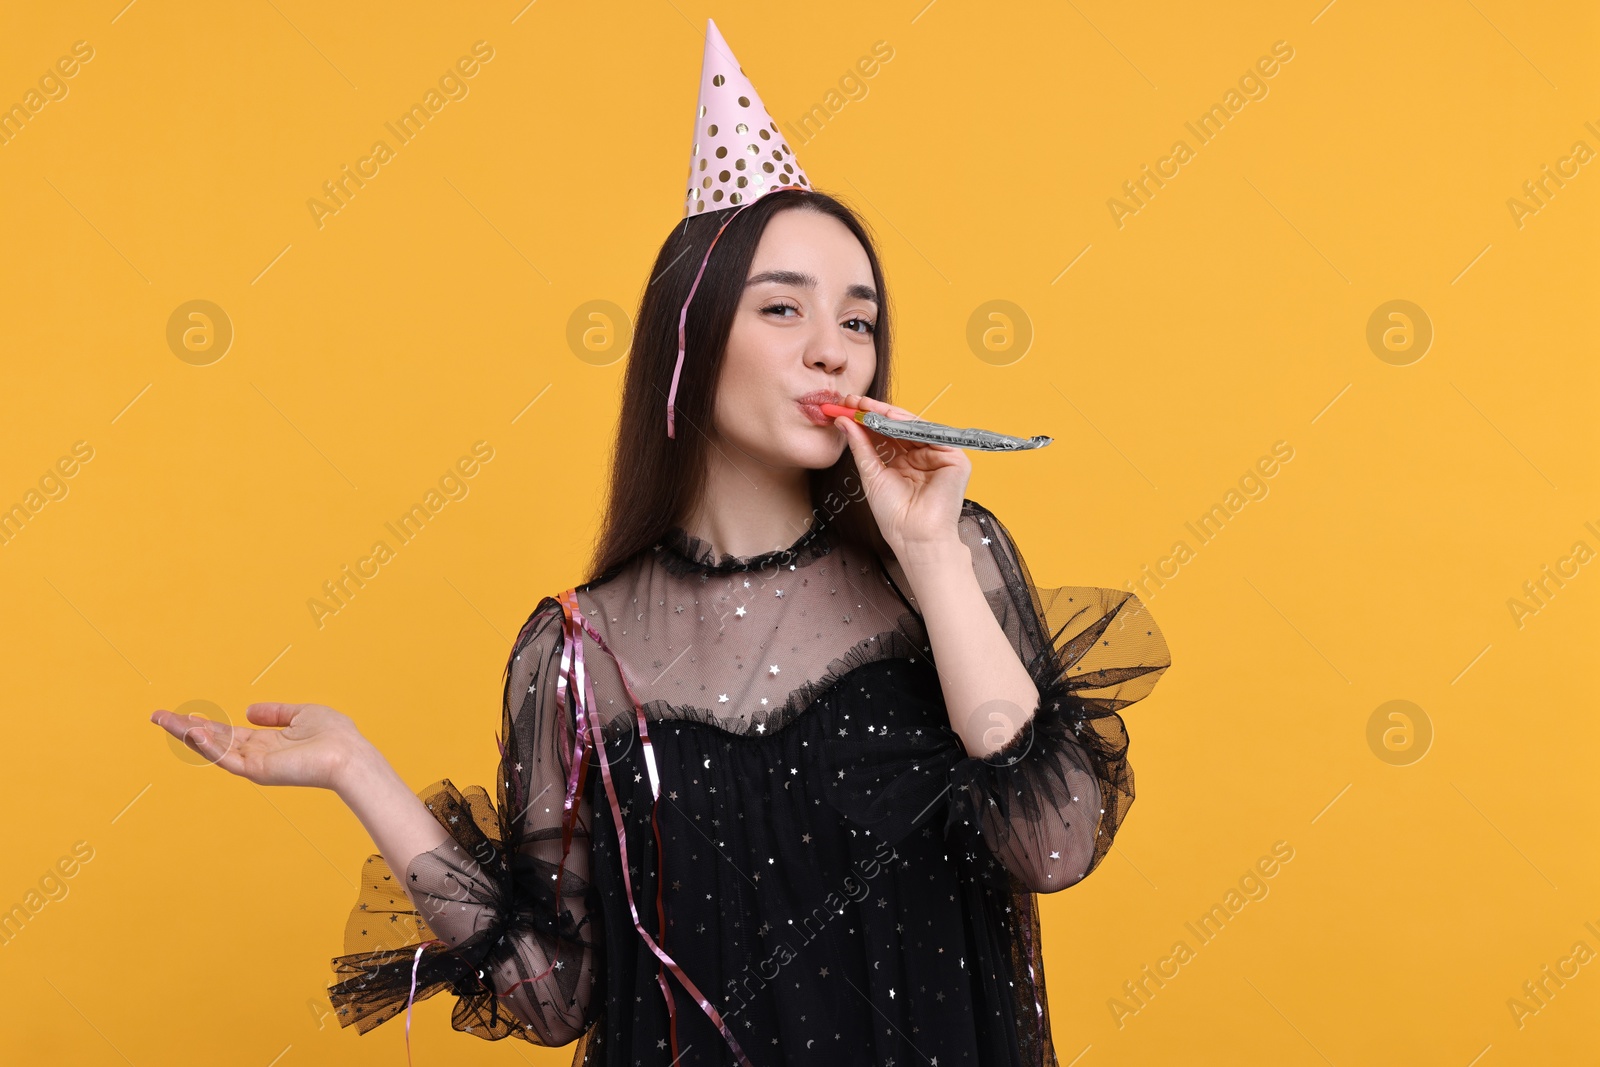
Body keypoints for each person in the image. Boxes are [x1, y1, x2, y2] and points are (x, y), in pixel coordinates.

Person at [148, 21, 1171, 1067]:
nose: (834, 347)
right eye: (783, 307)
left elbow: (1053, 840)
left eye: (859, 322)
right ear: (687, 339)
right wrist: (356, 769)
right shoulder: (579, 650)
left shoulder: (943, 562)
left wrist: (931, 553)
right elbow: (554, 994)